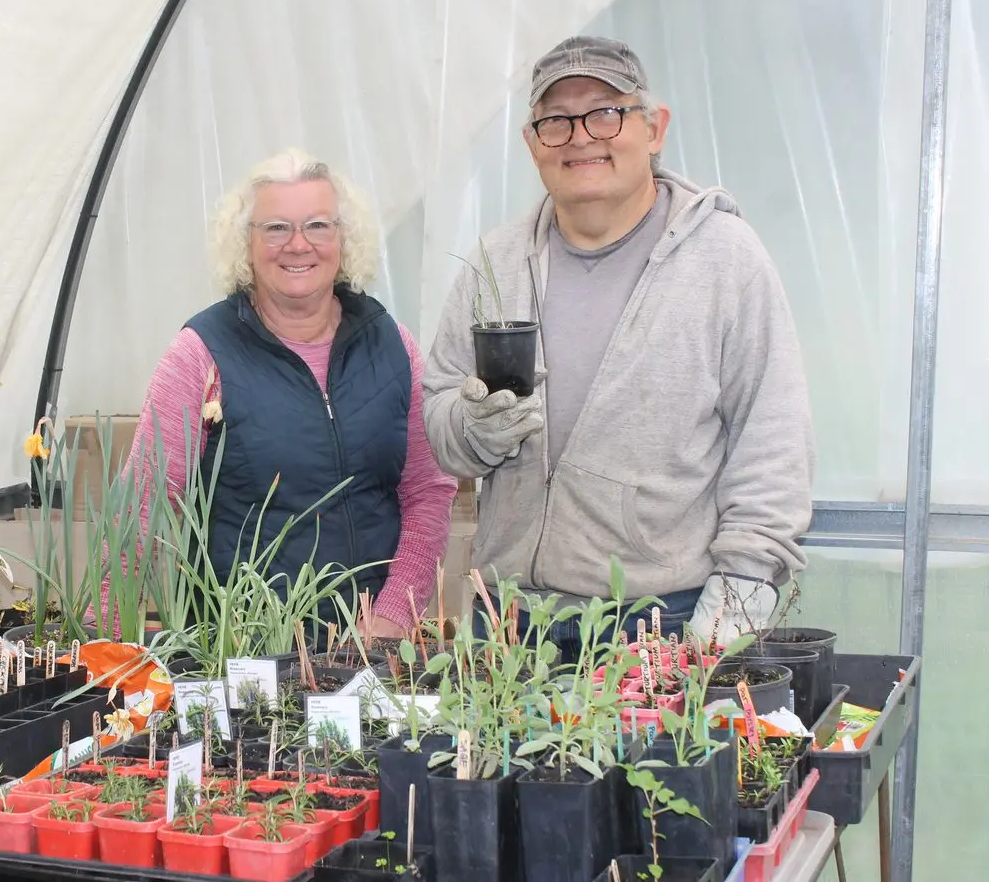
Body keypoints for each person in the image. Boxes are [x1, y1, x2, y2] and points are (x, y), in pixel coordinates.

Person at [421, 35, 815, 659]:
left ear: (654, 128)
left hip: (664, 621)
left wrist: (737, 602)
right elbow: (441, 419)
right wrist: (474, 427)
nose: (581, 136)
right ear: (532, 144)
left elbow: (771, 441)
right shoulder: (493, 264)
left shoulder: (725, 260)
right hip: (509, 621)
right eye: (556, 121)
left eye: (607, 112)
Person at [110, 147, 457, 643]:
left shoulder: (391, 344)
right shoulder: (203, 353)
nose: (298, 245)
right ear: (245, 244)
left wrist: (393, 616)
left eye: (318, 225)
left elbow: (428, 490)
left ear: (344, 238)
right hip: (242, 649)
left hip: (371, 647)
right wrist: (104, 652)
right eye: (275, 228)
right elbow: (142, 506)